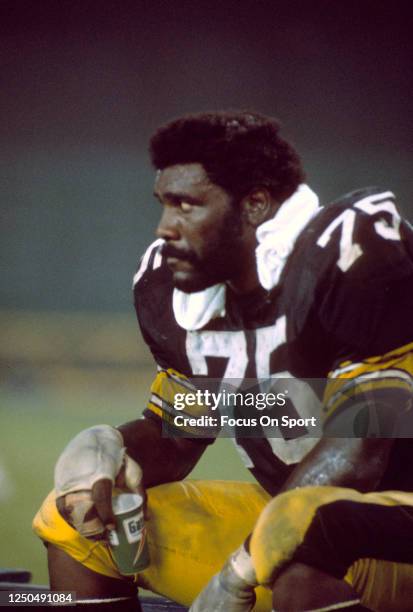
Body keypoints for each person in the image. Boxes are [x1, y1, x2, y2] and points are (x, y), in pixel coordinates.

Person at [33, 111, 413, 611]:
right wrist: (111, 448)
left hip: (391, 525)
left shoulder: (347, 259)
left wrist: (242, 567)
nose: (165, 227)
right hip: (295, 526)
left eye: (186, 205)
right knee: (75, 521)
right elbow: (184, 430)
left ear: (255, 203)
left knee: (294, 552)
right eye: (164, 204)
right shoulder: (186, 299)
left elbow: (360, 453)